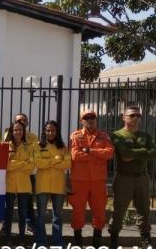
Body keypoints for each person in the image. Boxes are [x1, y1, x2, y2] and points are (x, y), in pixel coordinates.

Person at [109, 105, 156, 249]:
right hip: (124, 178)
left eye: (138, 115)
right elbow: (125, 155)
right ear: (124, 117)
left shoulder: (145, 135)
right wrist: (143, 151)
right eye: (132, 115)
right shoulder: (117, 135)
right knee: (119, 210)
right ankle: (114, 238)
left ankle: (145, 239)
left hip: (142, 177)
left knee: (144, 210)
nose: (135, 118)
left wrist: (135, 152)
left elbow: (153, 153)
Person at [69, 109, 113, 247]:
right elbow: (75, 156)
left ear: (96, 119)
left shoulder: (104, 136)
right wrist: (97, 156)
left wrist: (89, 151)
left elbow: (109, 153)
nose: (90, 119)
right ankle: (77, 243)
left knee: (99, 211)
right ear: (81, 121)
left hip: (98, 181)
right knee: (78, 212)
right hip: (79, 181)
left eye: (92, 117)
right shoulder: (75, 136)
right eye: (86, 117)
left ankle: (96, 244)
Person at [34, 120, 70, 247]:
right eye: (48, 130)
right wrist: (55, 160)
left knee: (58, 216)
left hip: (58, 184)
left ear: (57, 131)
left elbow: (67, 164)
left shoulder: (63, 147)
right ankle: (41, 242)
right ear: (44, 131)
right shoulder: (37, 146)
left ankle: (57, 242)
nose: (50, 133)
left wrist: (47, 162)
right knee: (41, 216)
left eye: (53, 130)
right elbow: (38, 163)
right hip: (42, 184)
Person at [2, 113, 39, 236]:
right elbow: (4, 165)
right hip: (10, 183)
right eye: (15, 129)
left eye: (20, 129)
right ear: (12, 130)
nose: (18, 132)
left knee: (23, 212)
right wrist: (22, 163)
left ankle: (22, 237)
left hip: (24, 182)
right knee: (8, 212)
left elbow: (32, 165)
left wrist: (14, 164)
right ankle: (7, 236)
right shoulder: (6, 144)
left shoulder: (31, 142)